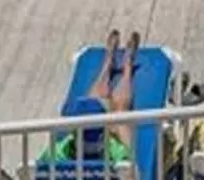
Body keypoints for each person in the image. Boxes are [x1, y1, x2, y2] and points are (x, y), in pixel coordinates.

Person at [44, 29, 141, 171]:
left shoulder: (58, 153)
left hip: (76, 157)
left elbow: (36, 169)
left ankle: (108, 64)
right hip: (108, 156)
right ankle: (126, 66)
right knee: (120, 114)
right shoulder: (114, 153)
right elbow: (131, 171)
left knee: (90, 106)